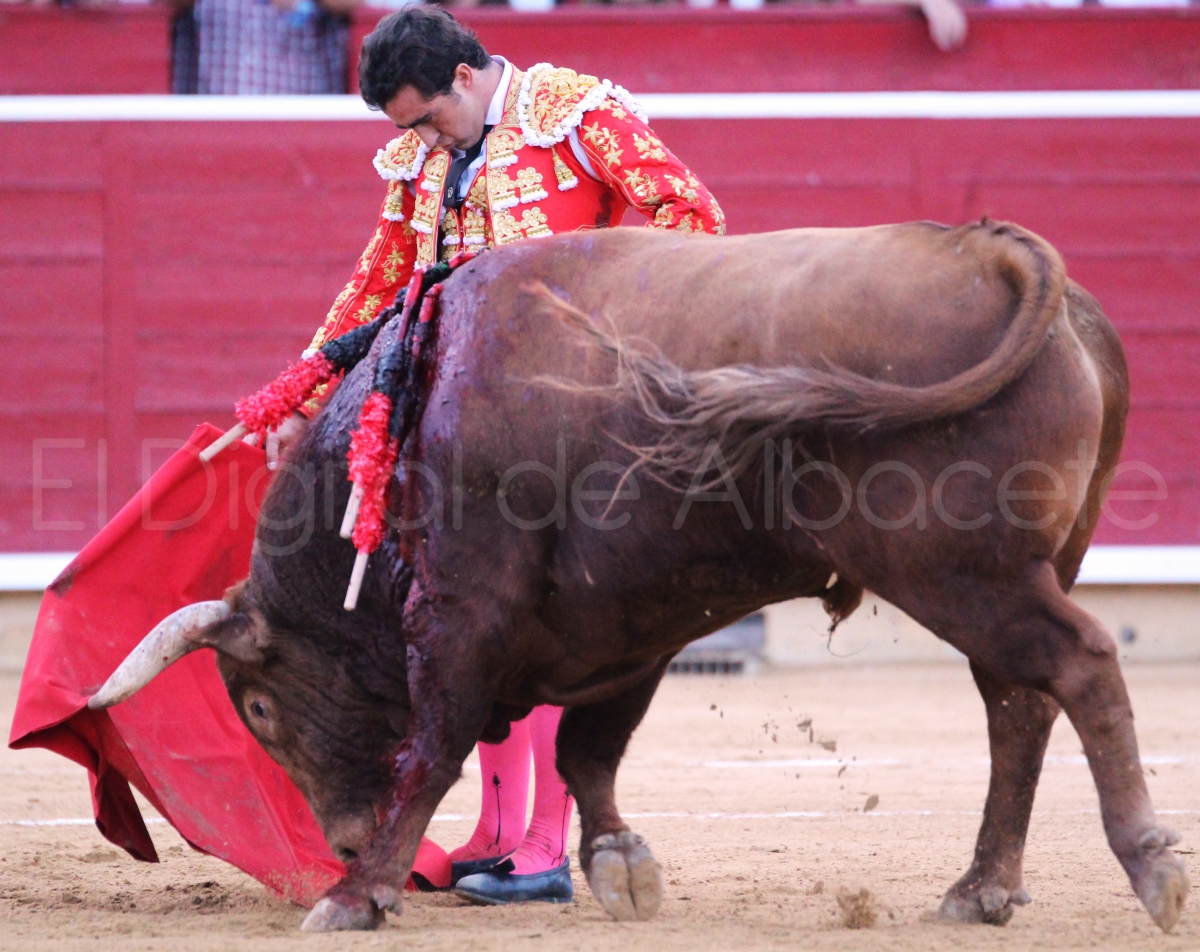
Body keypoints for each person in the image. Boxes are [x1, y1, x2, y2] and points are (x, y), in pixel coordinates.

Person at [269, 7, 725, 905]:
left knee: (551, 615)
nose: (423, 141)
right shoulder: (423, 155)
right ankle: (498, 829)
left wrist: (615, 327)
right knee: (472, 612)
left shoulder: (575, 114)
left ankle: (547, 844)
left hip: (576, 421)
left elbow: (691, 214)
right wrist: (303, 392)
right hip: (463, 427)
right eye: (408, 129)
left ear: (467, 76)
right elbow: (380, 276)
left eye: (430, 118)